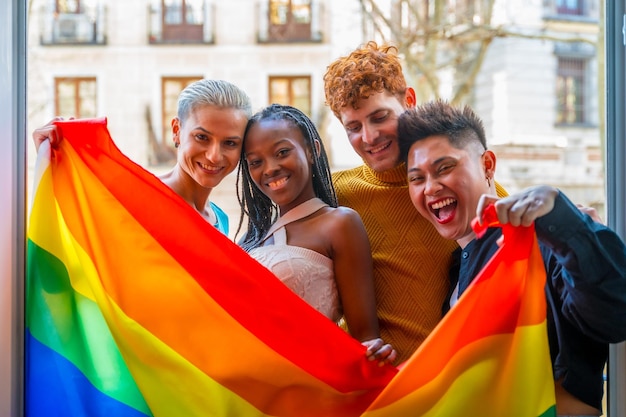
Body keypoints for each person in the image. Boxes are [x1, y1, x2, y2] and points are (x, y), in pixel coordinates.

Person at [397, 98, 626, 416]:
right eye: (416, 178)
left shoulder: (542, 242)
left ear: (487, 165)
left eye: (444, 168)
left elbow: (616, 313)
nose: (430, 187)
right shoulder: (452, 271)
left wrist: (561, 215)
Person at [323, 41, 508, 364]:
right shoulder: (336, 196)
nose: (369, 137)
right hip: (374, 394)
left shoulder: (468, 192)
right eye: (353, 127)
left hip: (453, 388)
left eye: (380, 117)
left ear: (409, 100)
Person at [235, 103, 396, 365]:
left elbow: (364, 338)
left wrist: (375, 354)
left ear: (312, 151)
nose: (270, 168)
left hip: (303, 392)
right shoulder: (252, 239)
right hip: (243, 392)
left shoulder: (339, 224)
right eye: (256, 162)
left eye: (282, 152)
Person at [32, 79, 252, 235]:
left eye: (230, 143)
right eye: (202, 137)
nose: (214, 156)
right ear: (176, 130)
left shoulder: (220, 219)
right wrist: (51, 163)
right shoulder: (137, 202)